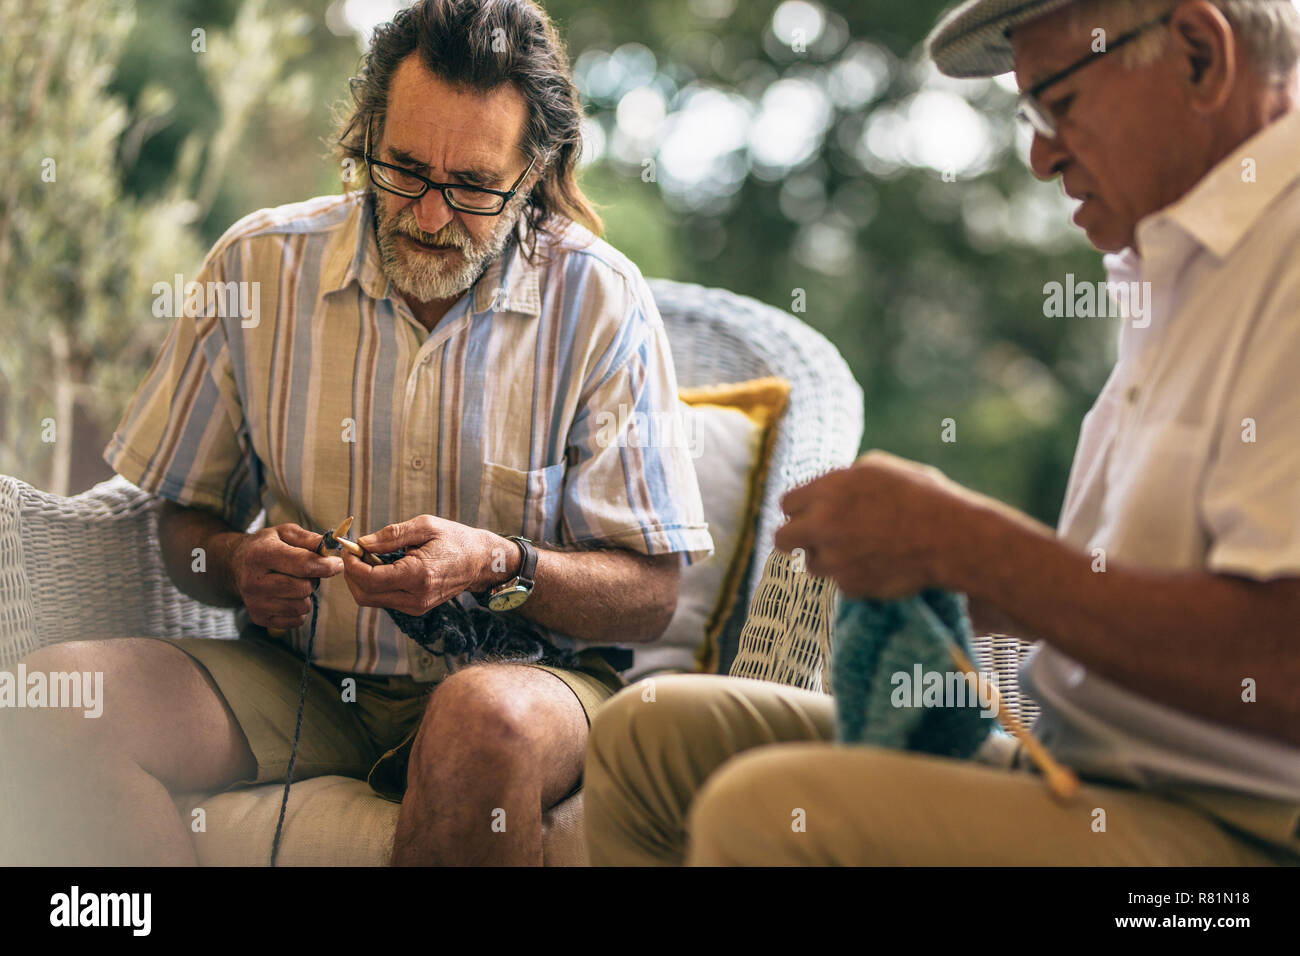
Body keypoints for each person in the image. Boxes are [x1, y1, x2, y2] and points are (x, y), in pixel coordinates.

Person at [583, 0, 1300, 866]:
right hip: (1082, 770)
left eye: (1058, 104)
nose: (1041, 157)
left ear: (1196, 53)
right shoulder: (1177, 268)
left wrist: (969, 547)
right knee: (652, 737)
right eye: (1029, 116)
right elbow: (1136, 592)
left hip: (1238, 835)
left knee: (764, 814)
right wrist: (929, 557)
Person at [3, 0, 711, 866]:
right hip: (300, 679)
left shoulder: (600, 300)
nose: (429, 214)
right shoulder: (255, 268)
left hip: (528, 687)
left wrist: (500, 564)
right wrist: (236, 565)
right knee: (49, 699)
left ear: (534, 173)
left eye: (475, 187)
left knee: (479, 723)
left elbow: (650, 595)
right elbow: (180, 525)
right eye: (404, 168)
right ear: (366, 133)